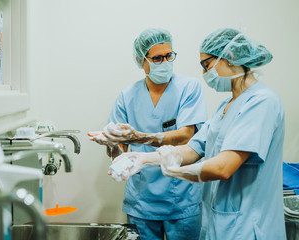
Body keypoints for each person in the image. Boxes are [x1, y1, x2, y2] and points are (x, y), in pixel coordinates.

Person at [109, 28, 286, 239]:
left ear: (229, 58)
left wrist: (175, 171)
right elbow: (194, 148)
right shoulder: (225, 106)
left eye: (206, 65)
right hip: (220, 223)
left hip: (249, 227)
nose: (204, 74)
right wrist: (142, 158)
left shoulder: (262, 102)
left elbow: (223, 167)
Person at [88, 28, 207, 240]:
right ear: (141, 61)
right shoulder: (127, 96)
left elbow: (187, 135)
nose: (165, 62)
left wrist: (139, 137)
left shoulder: (189, 88)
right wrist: (111, 143)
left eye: (169, 56)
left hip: (181, 199)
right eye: (157, 58)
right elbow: (119, 152)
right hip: (141, 203)